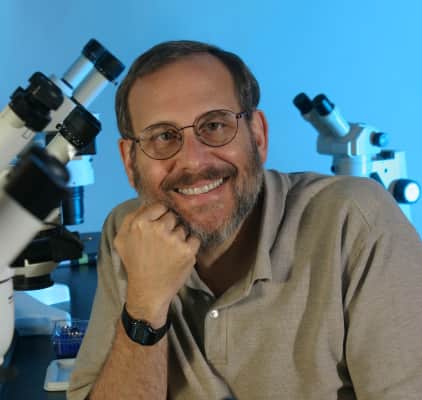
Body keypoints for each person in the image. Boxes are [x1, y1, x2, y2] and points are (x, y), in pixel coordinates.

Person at [68, 40, 422, 400]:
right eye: (163, 136)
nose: (193, 161)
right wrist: (145, 305)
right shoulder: (129, 233)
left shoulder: (357, 221)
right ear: (129, 162)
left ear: (258, 135)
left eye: (215, 125)